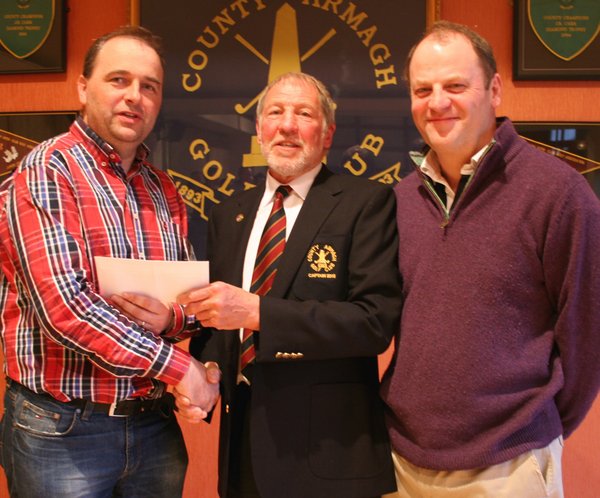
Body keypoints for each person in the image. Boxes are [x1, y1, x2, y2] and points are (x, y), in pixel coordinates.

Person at [380, 20, 600, 498]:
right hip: (402, 461)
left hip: (510, 466)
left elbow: (587, 335)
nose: (437, 102)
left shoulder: (559, 193)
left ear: (494, 89)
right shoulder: (398, 201)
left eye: (455, 85)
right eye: (423, 89)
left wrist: (537, 428)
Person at [0, 26, 219, 498]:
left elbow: (184, 300)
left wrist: (174, 316)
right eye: (118, 80)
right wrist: (182, 370)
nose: (134, 97)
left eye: (149, 86)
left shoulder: (163, 189)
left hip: (152, 426)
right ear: (83, 88)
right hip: (61, 429)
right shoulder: (45, 171)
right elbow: (66, 309)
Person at [175, 72, 402, 498]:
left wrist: (259, 313)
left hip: (330, 458)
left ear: (328, 133)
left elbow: (373, 322)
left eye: (304, 114)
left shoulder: (365, 203)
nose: (287, 125)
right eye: (275, 112)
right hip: (242, 449)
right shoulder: (229, 214)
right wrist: (206, 374)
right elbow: (218, 323)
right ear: (259, 129)